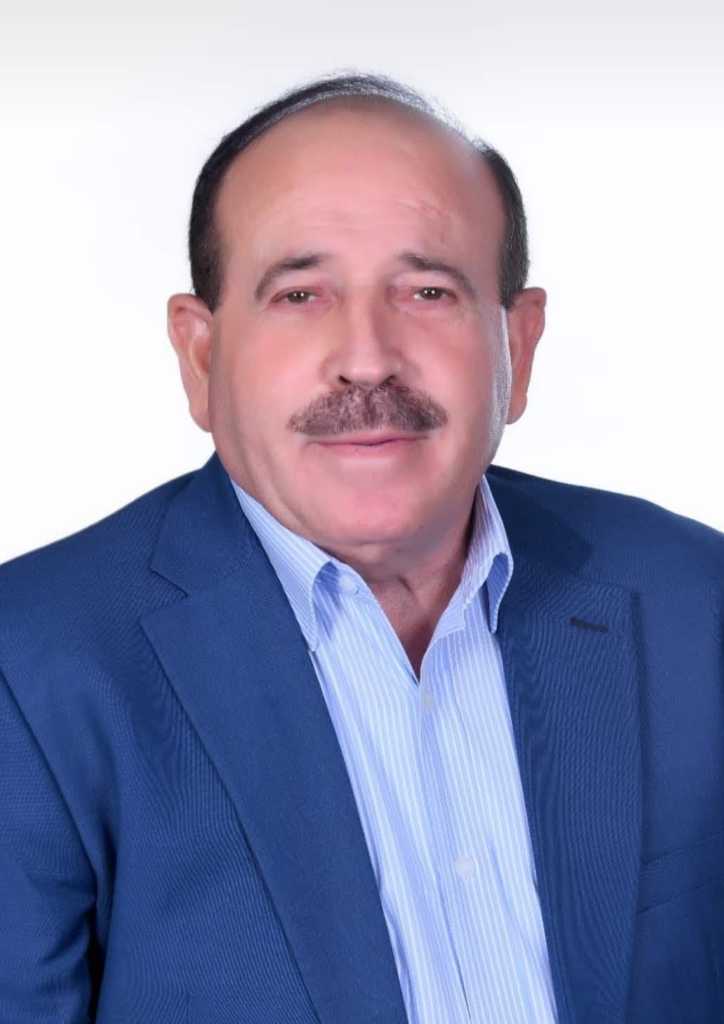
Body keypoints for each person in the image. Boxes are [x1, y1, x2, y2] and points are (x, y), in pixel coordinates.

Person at [1, 71, 722, 1024]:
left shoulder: (694, 600)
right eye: (300, 293)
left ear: (518, 344)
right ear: (202, 356)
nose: (368, 357)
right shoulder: (33, 666)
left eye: (428, 290)